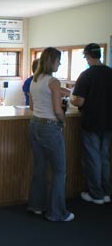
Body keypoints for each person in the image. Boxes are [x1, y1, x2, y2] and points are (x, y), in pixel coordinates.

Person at [27, 47, 74, 222]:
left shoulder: (34, 80)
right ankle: (56, 213)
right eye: (58, 61)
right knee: (59, 171)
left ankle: (36, 206)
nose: (60, 64)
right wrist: (62, 121)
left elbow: (32, 107)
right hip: (49, 127)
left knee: (39, 168)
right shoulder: (53, 82)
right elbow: (57, 109)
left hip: (34, 125)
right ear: (51, 61)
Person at [70, 43, 112, 205]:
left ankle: (96, 194)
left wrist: (72, 100)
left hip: (92, 122)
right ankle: (106, 192)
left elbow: (79, 101)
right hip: (108, 122)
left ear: (87, 56)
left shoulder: (87, 75)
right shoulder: (110, 72)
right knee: (104, 157)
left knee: (93, 158)